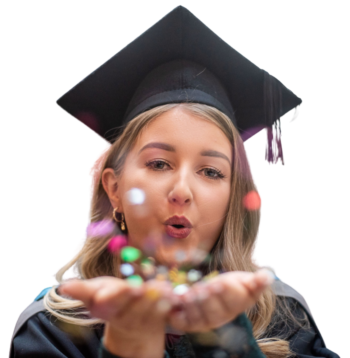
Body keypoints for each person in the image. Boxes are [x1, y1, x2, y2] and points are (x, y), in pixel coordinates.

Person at [9, 5, 341, 358]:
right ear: (115, 188)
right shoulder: (53, 330)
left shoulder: (284, 318)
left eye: (211, 171)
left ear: (233, 196)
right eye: (158, 163)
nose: (181, 191)